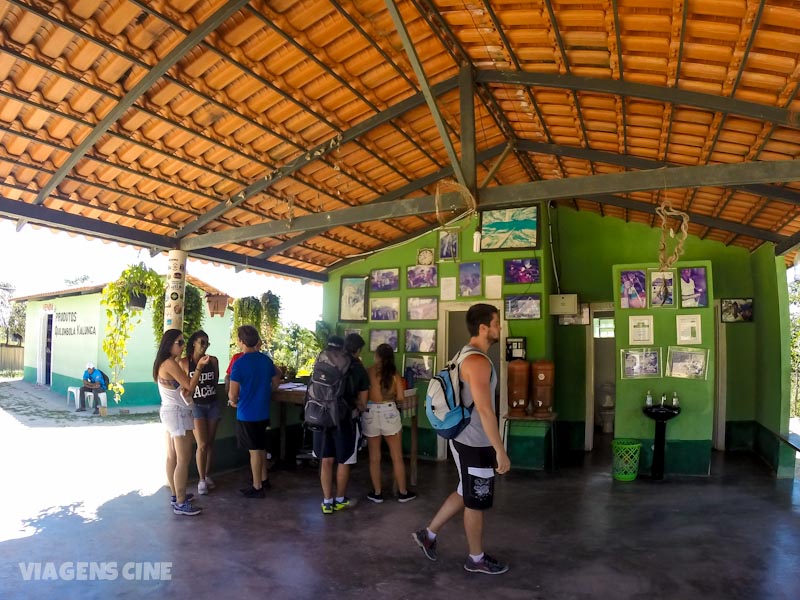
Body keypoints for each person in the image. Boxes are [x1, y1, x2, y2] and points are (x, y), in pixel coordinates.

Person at [412, 303, 511, 575]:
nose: (499, 328)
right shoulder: (477, 362)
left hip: (467, 438)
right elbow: (485, 409)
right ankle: (475, 558)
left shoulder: (463, 355)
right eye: (496, 323)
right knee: (476, 501)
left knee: (464, 490)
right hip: (474, 441)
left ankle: (428, 535)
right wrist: (500, 449)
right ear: (483, 328)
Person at [153, 329, 210, 517]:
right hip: (177, 414)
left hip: (170, 411)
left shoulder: (164, 363)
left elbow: (178, 388)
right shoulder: (169, 363)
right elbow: (190, 386)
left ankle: (176, 494)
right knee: (183, 459)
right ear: (169, 344)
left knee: (172, 457)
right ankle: (180, 502)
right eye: (179, 342)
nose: (183, 345)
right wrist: (199, 367)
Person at [313, 333, 369, 515]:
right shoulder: (357, 368)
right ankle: (339, 499)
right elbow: (363, 401)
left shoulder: (324, 360)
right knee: (344, 460)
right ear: (358, 350)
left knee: (326, 460)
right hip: (345, 420)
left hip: (322, 417)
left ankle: (326, 501)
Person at [228, 325, 281, 499]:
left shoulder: (239, 364)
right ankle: (265, 480)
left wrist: (232, 402)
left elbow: (233, 393)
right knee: (261, 447)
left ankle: (257, 487)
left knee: (254, 451)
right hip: (263, 412)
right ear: (256, 341)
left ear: (240, 342)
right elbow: (276, 381)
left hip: (246, 413)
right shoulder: (266, 361)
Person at [364, 343, 416, 504]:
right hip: (389, 412)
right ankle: (402, 492)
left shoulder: (369, 371)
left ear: (377, 356)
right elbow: (400, 398)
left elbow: (364, 396)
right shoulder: (394, 374)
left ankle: (377, 493)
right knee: (397, 457)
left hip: (371, 412)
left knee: (374, 457)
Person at [179, 330, 220, 496]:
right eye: (201, 342)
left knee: (210, 443)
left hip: (212, 403)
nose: (204, 346)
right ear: (194, 343)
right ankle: (201, 480)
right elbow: (186, 387)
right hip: (196, 405)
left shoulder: (213, 360)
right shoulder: (184, 363)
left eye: (207, 343)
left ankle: (207, 475)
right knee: (202, 444)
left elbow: (215, 381)